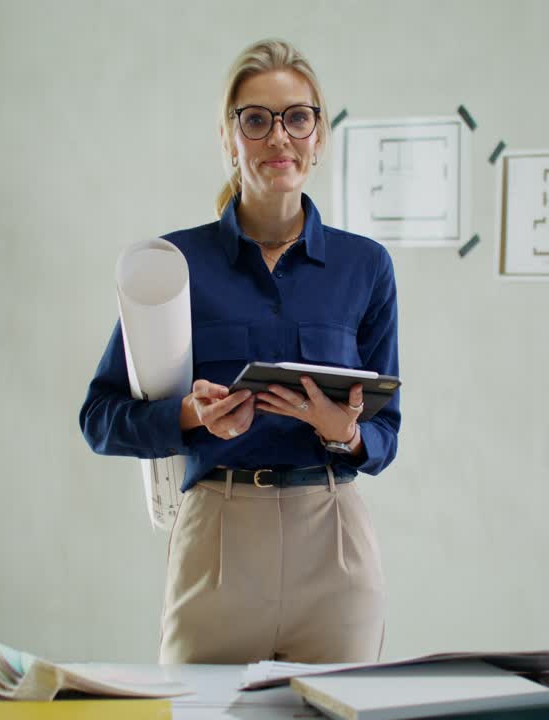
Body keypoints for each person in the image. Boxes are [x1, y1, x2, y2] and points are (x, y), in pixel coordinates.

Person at [79, 38, 400, 664]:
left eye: (297, 117)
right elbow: (99, 419)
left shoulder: (366, 266)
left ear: (318, 136)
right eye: (256, 120)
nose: (279, 137)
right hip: (217, 537)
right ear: (230, 140)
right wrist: (189, 417)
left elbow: (386, 433)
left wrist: (346, 435)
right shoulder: (173, 264)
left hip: (333, 541)